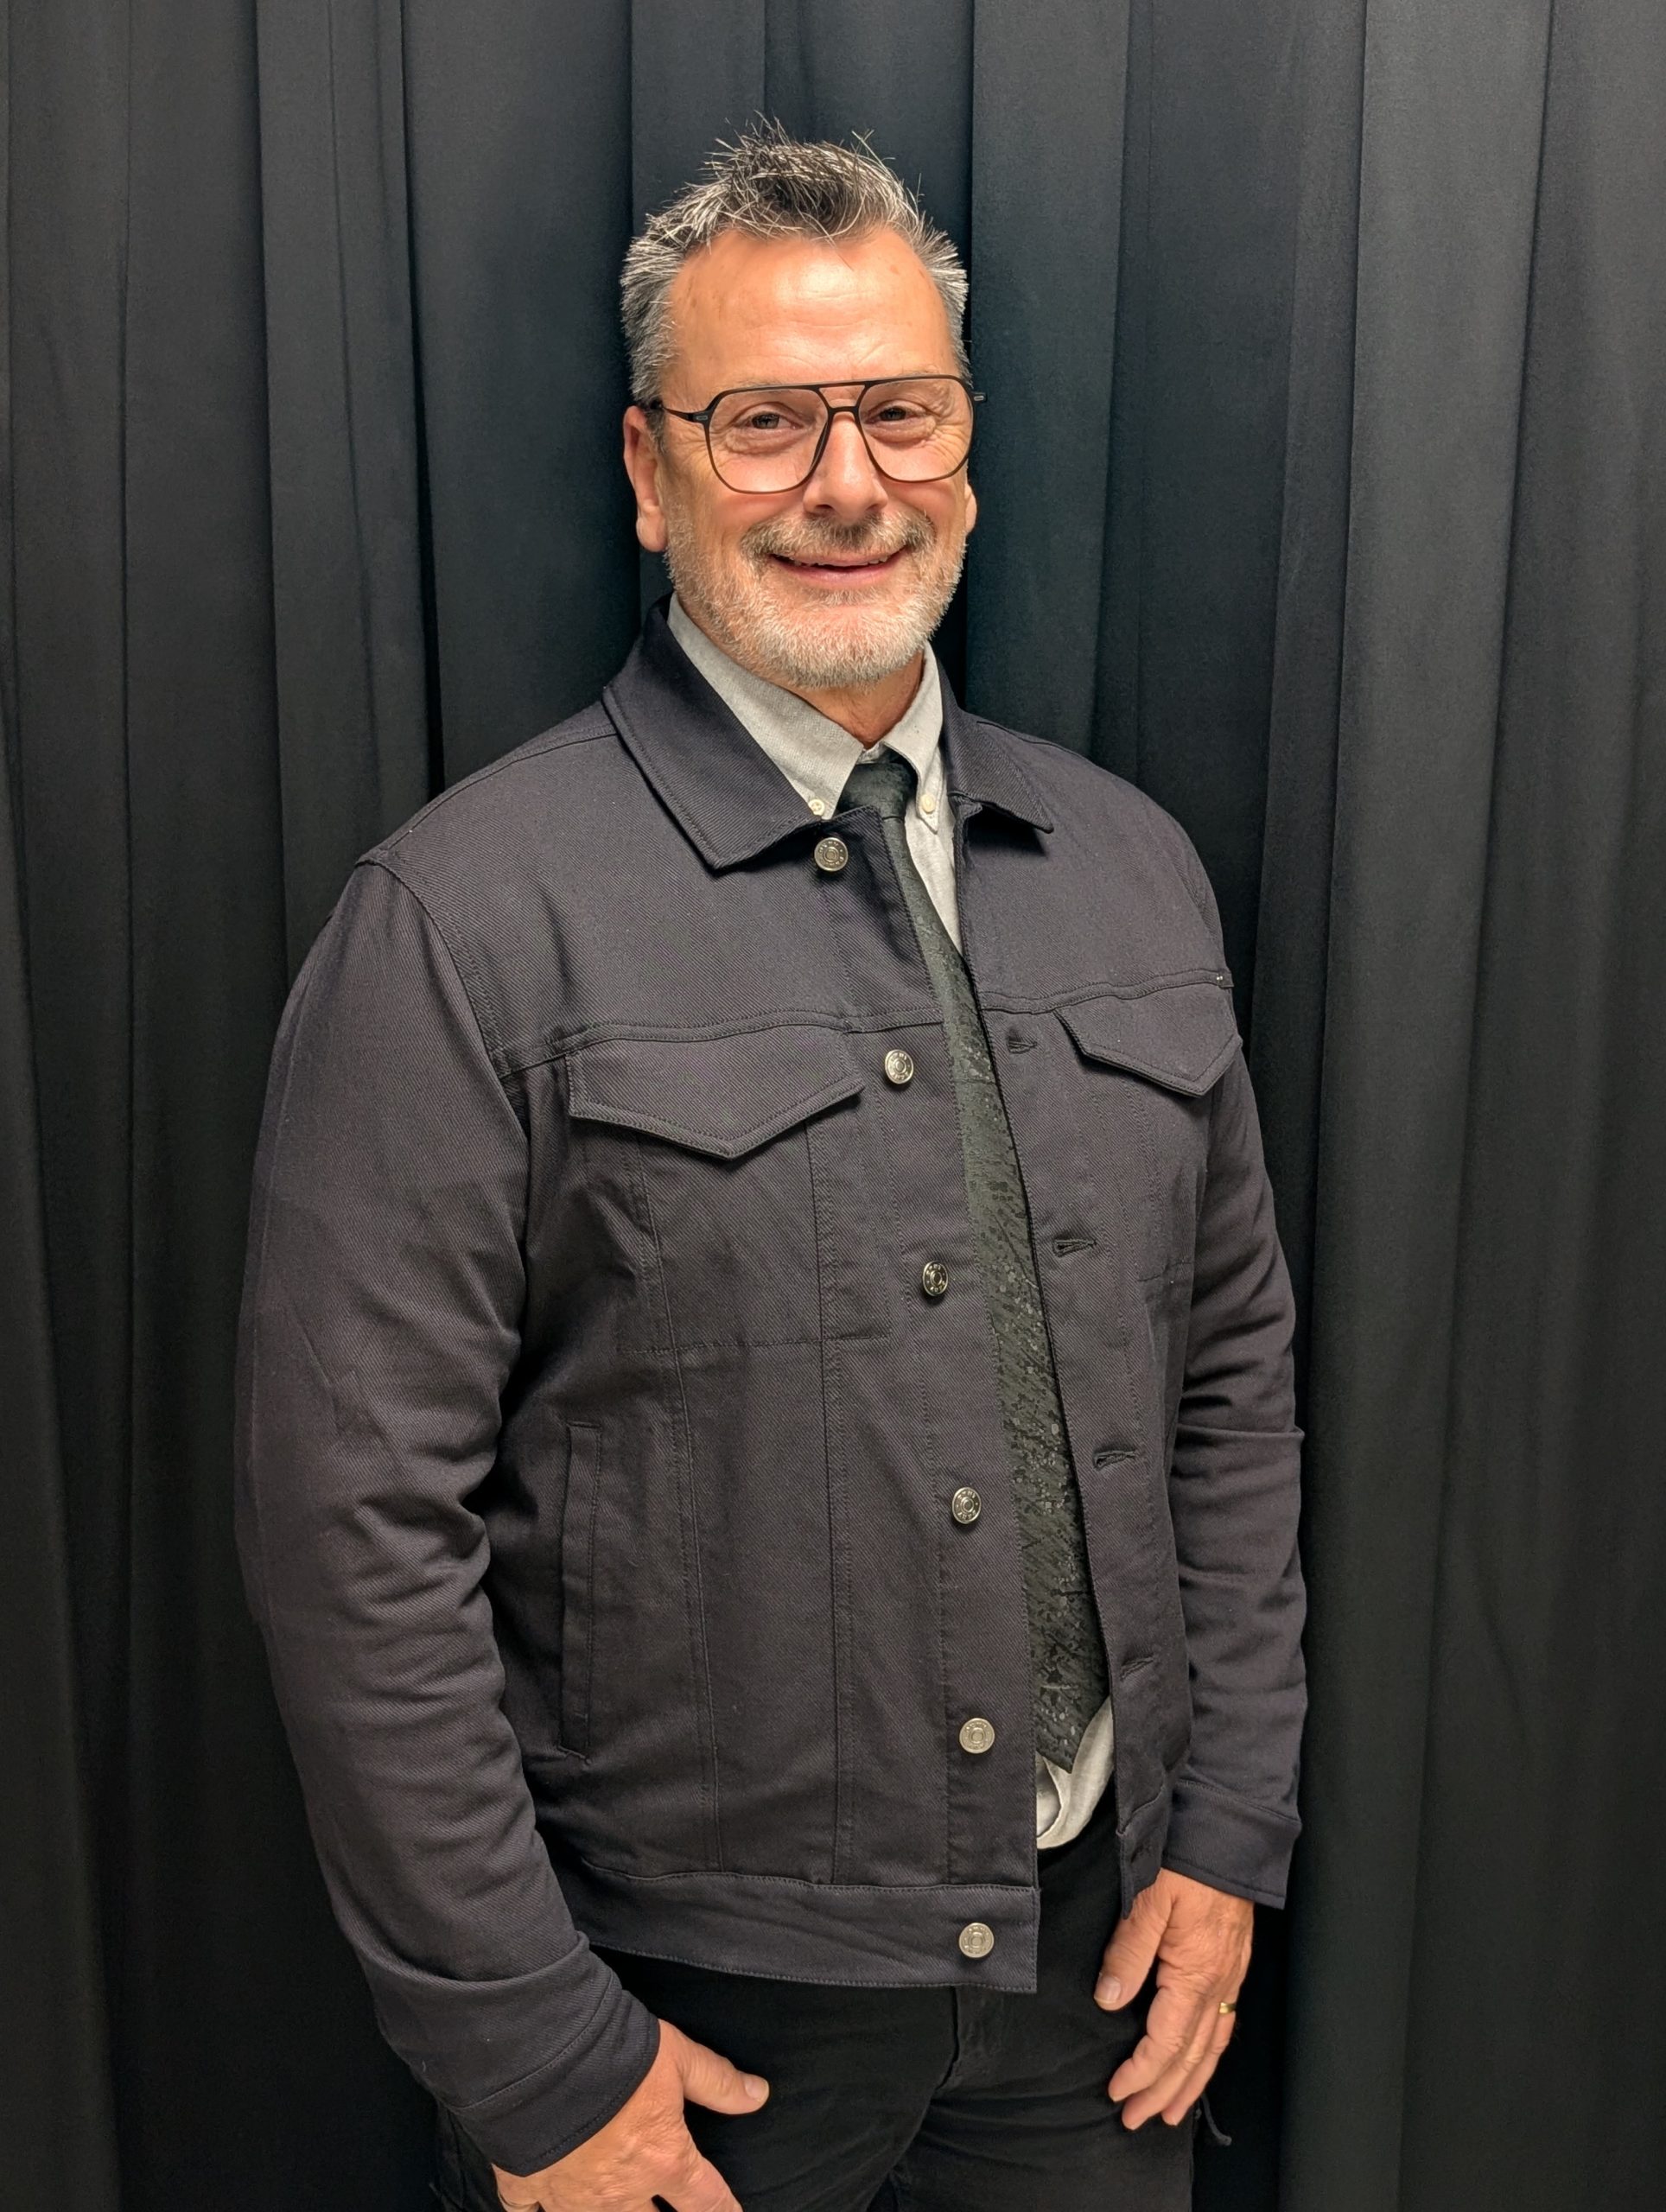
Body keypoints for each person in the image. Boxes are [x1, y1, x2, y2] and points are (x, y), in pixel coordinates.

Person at [234, 124, 1305, 2212]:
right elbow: (352, 1529)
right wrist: (532, 2054)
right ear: (648, 472)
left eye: (900, 411)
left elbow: (1229, 1383)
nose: (847, 480)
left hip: (1097, 1984)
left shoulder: (1132, 869)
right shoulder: (462, 920)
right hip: (679, 2028)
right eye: (765, 422)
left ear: (966, 446)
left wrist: (1229, 1820)